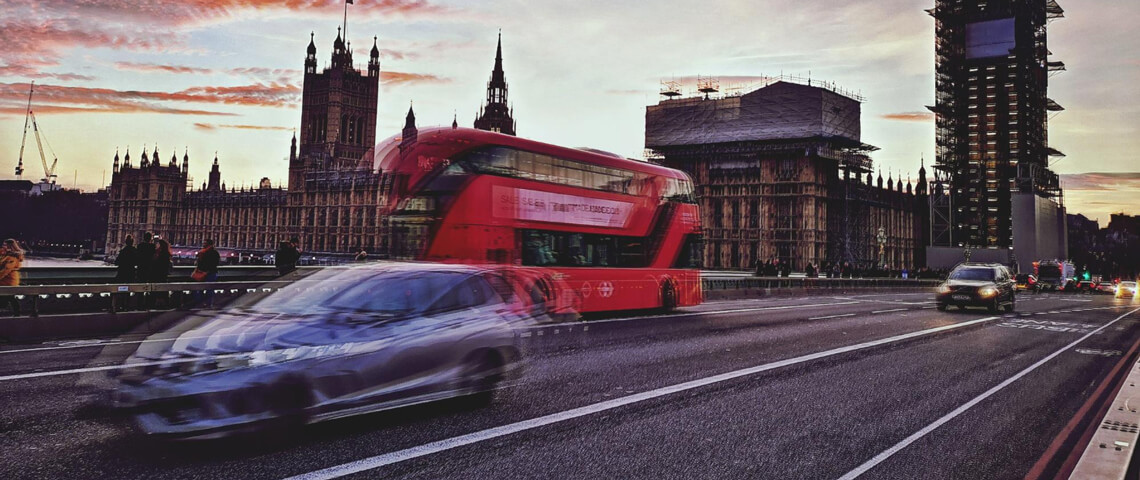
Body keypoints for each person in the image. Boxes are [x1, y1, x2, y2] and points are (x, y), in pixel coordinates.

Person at [0, 239, 25, 316]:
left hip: (8, 280)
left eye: (5, 245)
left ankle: (17, 314)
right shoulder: (6, 255)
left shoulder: (12, 258)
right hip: (5, 280)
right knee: (9, 297)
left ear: (10, 246)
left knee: (9, 297)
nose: (2, 246)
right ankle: (17, 314)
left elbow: (6, 270)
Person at [194, 239, 221, 307]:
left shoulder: (202, 252)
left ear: (209, 244)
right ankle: (208, 304)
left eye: (205, 243)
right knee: (209, 289)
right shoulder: (215, 252)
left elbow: (200, 263)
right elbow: (216, 263)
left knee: (200, 289)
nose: (203, 244)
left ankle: (201, 303)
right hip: (210, 272)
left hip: (205, 273)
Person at [148, 239, 173, 309]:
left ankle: (157, 305)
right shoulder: (165, 254)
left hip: (158, 276)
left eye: (157, 244)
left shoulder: (160, 255)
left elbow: (156, 266)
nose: (156, 245)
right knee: (162, 292)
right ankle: (163, 305)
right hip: (162, 276)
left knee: (158, 292)